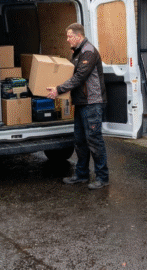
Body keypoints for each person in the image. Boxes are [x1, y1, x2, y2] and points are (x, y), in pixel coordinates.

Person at [47, 23, 109, 190]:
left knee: (94, 141)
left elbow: (80, 77)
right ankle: (82, 174)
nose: (67, 40)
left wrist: (58, 89)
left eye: (69, 36)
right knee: (80, 141)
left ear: (78, 36)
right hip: (81, 103)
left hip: (92, 103)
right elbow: (70, 74)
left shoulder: (88, 51)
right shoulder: (77, 52)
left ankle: (102, 177)